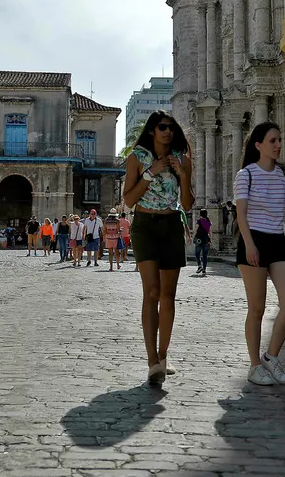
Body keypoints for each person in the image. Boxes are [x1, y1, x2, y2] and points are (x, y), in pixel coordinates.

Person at [123, 111, 194, 386]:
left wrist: (183, 174)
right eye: (162, 127)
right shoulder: (136, 158)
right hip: (145, 226)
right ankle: (151, 359)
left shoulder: (183, 159)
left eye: (171, 128)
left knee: (168, 294)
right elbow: (129, 200)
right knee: (151, 291)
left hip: (171, 224)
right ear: (152, 130)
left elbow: (187, 204)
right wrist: (151, 173)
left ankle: (163, 357)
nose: (168, 132)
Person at [234, 122, 285, 386]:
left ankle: (271, 356)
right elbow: (241, 213)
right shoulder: (246, 175)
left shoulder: (284, 175)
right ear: (258, 145)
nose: (278, 145)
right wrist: (250, 244)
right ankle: (254, 366)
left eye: (279, 140)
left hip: (277, 241)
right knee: (257, 308)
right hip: (254, 240)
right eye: (273, 140)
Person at [193, 209, 212, 275]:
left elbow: (196, 230)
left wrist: (193, 237)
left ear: (200, 214)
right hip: (206, 239)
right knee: (205, 255)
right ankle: (204, 269)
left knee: (197, 254)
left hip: (199, 240)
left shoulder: (199, 221)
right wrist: (210, 240)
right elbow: (210, 232)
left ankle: (199, 266)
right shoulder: (208, 222)